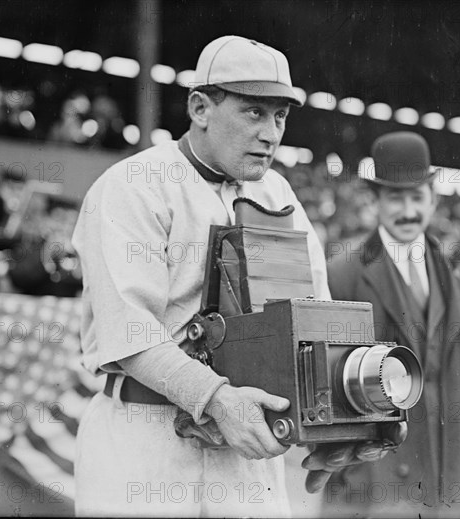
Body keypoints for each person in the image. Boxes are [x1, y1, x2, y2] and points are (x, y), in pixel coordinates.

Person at [72, 36, 401, 517]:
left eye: (280, 116)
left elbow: (316, 323)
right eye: (253, 112)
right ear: (200, 107)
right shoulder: (132, 185)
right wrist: (217, 399)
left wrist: (346, 422)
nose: (271, 133)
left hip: (246, 456)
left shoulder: (277, 193)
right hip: (146, 438)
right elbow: (130, 331)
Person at [323, 131, 460, 517]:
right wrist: (354, 469)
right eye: (395, 197)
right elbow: (325, 384)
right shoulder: (342, 275)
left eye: (417, 197)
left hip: (459, 482)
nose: (408, 210)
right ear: (375, 200)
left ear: (432, 200)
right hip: (378, 489)